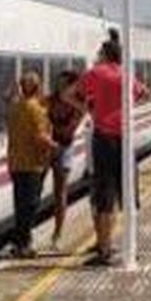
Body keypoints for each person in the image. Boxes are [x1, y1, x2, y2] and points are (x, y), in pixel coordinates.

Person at [78, 39, 148, 266]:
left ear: (105, 54)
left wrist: (90, 108)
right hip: (125, 137)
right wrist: (126, 107)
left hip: (103, 138)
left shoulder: (96, 73)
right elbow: (144, 93)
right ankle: (131, 246)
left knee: (105, 197)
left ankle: (105, 250)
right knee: (127, 193)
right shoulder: (127, 75)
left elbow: (71, 93)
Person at [6, 70, 57, 258]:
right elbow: (40, 137)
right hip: (32, 164)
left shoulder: (15, 107)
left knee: (20, 205)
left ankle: (19, 242)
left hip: (15, 162)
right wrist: (55, 146)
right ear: (37, 88)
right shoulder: (35, 109)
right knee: (30, 205)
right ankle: (24, 244)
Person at [45, 69, 85, 252]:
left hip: (64, 148)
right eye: (59, 82)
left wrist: (52, 130)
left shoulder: (77, 105)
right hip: (46, 148)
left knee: (60, 191)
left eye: (64, 83)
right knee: (37, 188)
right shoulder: (50, 100)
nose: (60, 86)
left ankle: (57, 234)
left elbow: (70, 129)